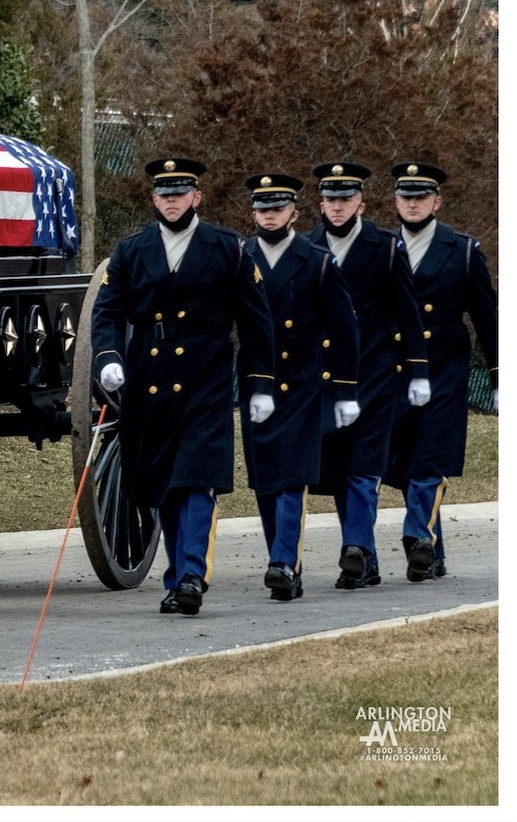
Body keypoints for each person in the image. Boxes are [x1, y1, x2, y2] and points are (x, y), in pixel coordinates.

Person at [89, 157, 275, 616]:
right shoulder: (131, 251)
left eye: (180, 194)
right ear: (154, 199)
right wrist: (108, 358)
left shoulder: (227, 247)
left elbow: (256, 322)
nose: (171, 202)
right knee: (165, 484)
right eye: (163, 195)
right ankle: (177, 578)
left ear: (197, 197)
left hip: (205, 377)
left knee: (196, 479)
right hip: (149, 380)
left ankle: (192, 574)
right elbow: (107, 311)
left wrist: (262, 383)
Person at [305, 162, 428, 590]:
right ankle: (365, 558)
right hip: (323, 375)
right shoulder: (307, 247)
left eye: (345, 199)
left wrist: (418, 371)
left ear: (361, 202)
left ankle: (355, 548)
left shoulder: (386, 247)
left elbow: (409, 312)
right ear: (320, 203)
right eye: (330, 200)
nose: (337, 208)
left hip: (374, 373)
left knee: (363, 463)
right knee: (339, 466)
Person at [238, 173, 360, 602]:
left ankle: (283, 563)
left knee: (292, 476)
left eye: (278, 209)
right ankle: (283, 558)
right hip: (254, 379)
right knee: (265, 478)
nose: (270, 217)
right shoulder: (241, 257)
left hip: (302, 383)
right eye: (263, 209)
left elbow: (345, 330)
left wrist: (345, 392)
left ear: (294, 213)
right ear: (253, 213)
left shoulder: (317, 260)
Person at [384, 161, 497, 582]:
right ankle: (432, 554)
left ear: (437, 201)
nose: (412, 204)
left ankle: (417, 537)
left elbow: (488, 318)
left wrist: (500, 376)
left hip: (443, 370)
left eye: (421, 197)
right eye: (405, 197)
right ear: (395, 200)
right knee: (402, 461)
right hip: (393, 371)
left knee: (430, 458)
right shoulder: (382, 248)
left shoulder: (462, 250)